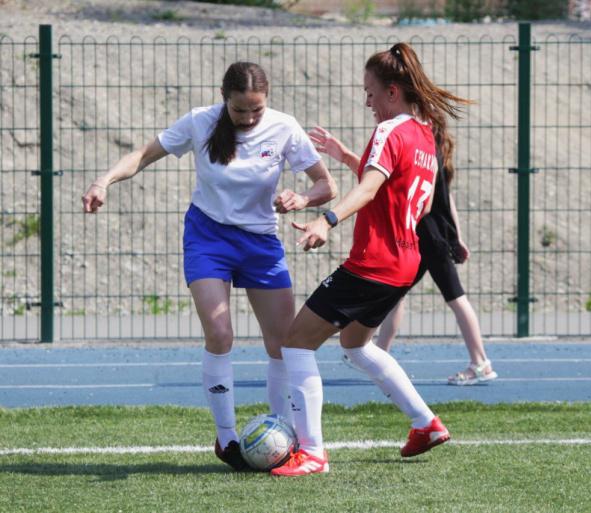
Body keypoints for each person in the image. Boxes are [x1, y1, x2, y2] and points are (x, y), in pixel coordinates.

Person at [81, 62, 337, 471]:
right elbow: (143, 156)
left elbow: (327, 185)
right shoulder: (200, 122)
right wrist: (103, 181)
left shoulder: (285, 127)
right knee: (219, 333)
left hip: (260, 243)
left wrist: (303, 199)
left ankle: (282, 432)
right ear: (224, 99)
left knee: (282, 344)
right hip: (208, 238)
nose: (249, 118)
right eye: (240, 110)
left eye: (256, 110)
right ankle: (227, 438)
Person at [269, 42, 472, 477]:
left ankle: (312, 453)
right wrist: (345, 156)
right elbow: (409, 194)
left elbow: (369, 188)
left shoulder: (390, 131)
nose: (368, 102)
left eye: (370, 93)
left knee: (296, 343)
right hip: (406, 262)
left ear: (392, 92)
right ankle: (426, 423)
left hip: (374, 263)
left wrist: (327, 220)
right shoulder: (425, 135)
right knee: (356, 345)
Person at [324, 113, 498, 385]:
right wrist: (457, 236)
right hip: (425, 233)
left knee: (455, 297)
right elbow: (444, 197)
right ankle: (378, 354)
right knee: (397, 295)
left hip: (428, 235)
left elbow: (388, 186)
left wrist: (347, 157)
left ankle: (480, 362)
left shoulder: (421, 150)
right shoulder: (431, 152)